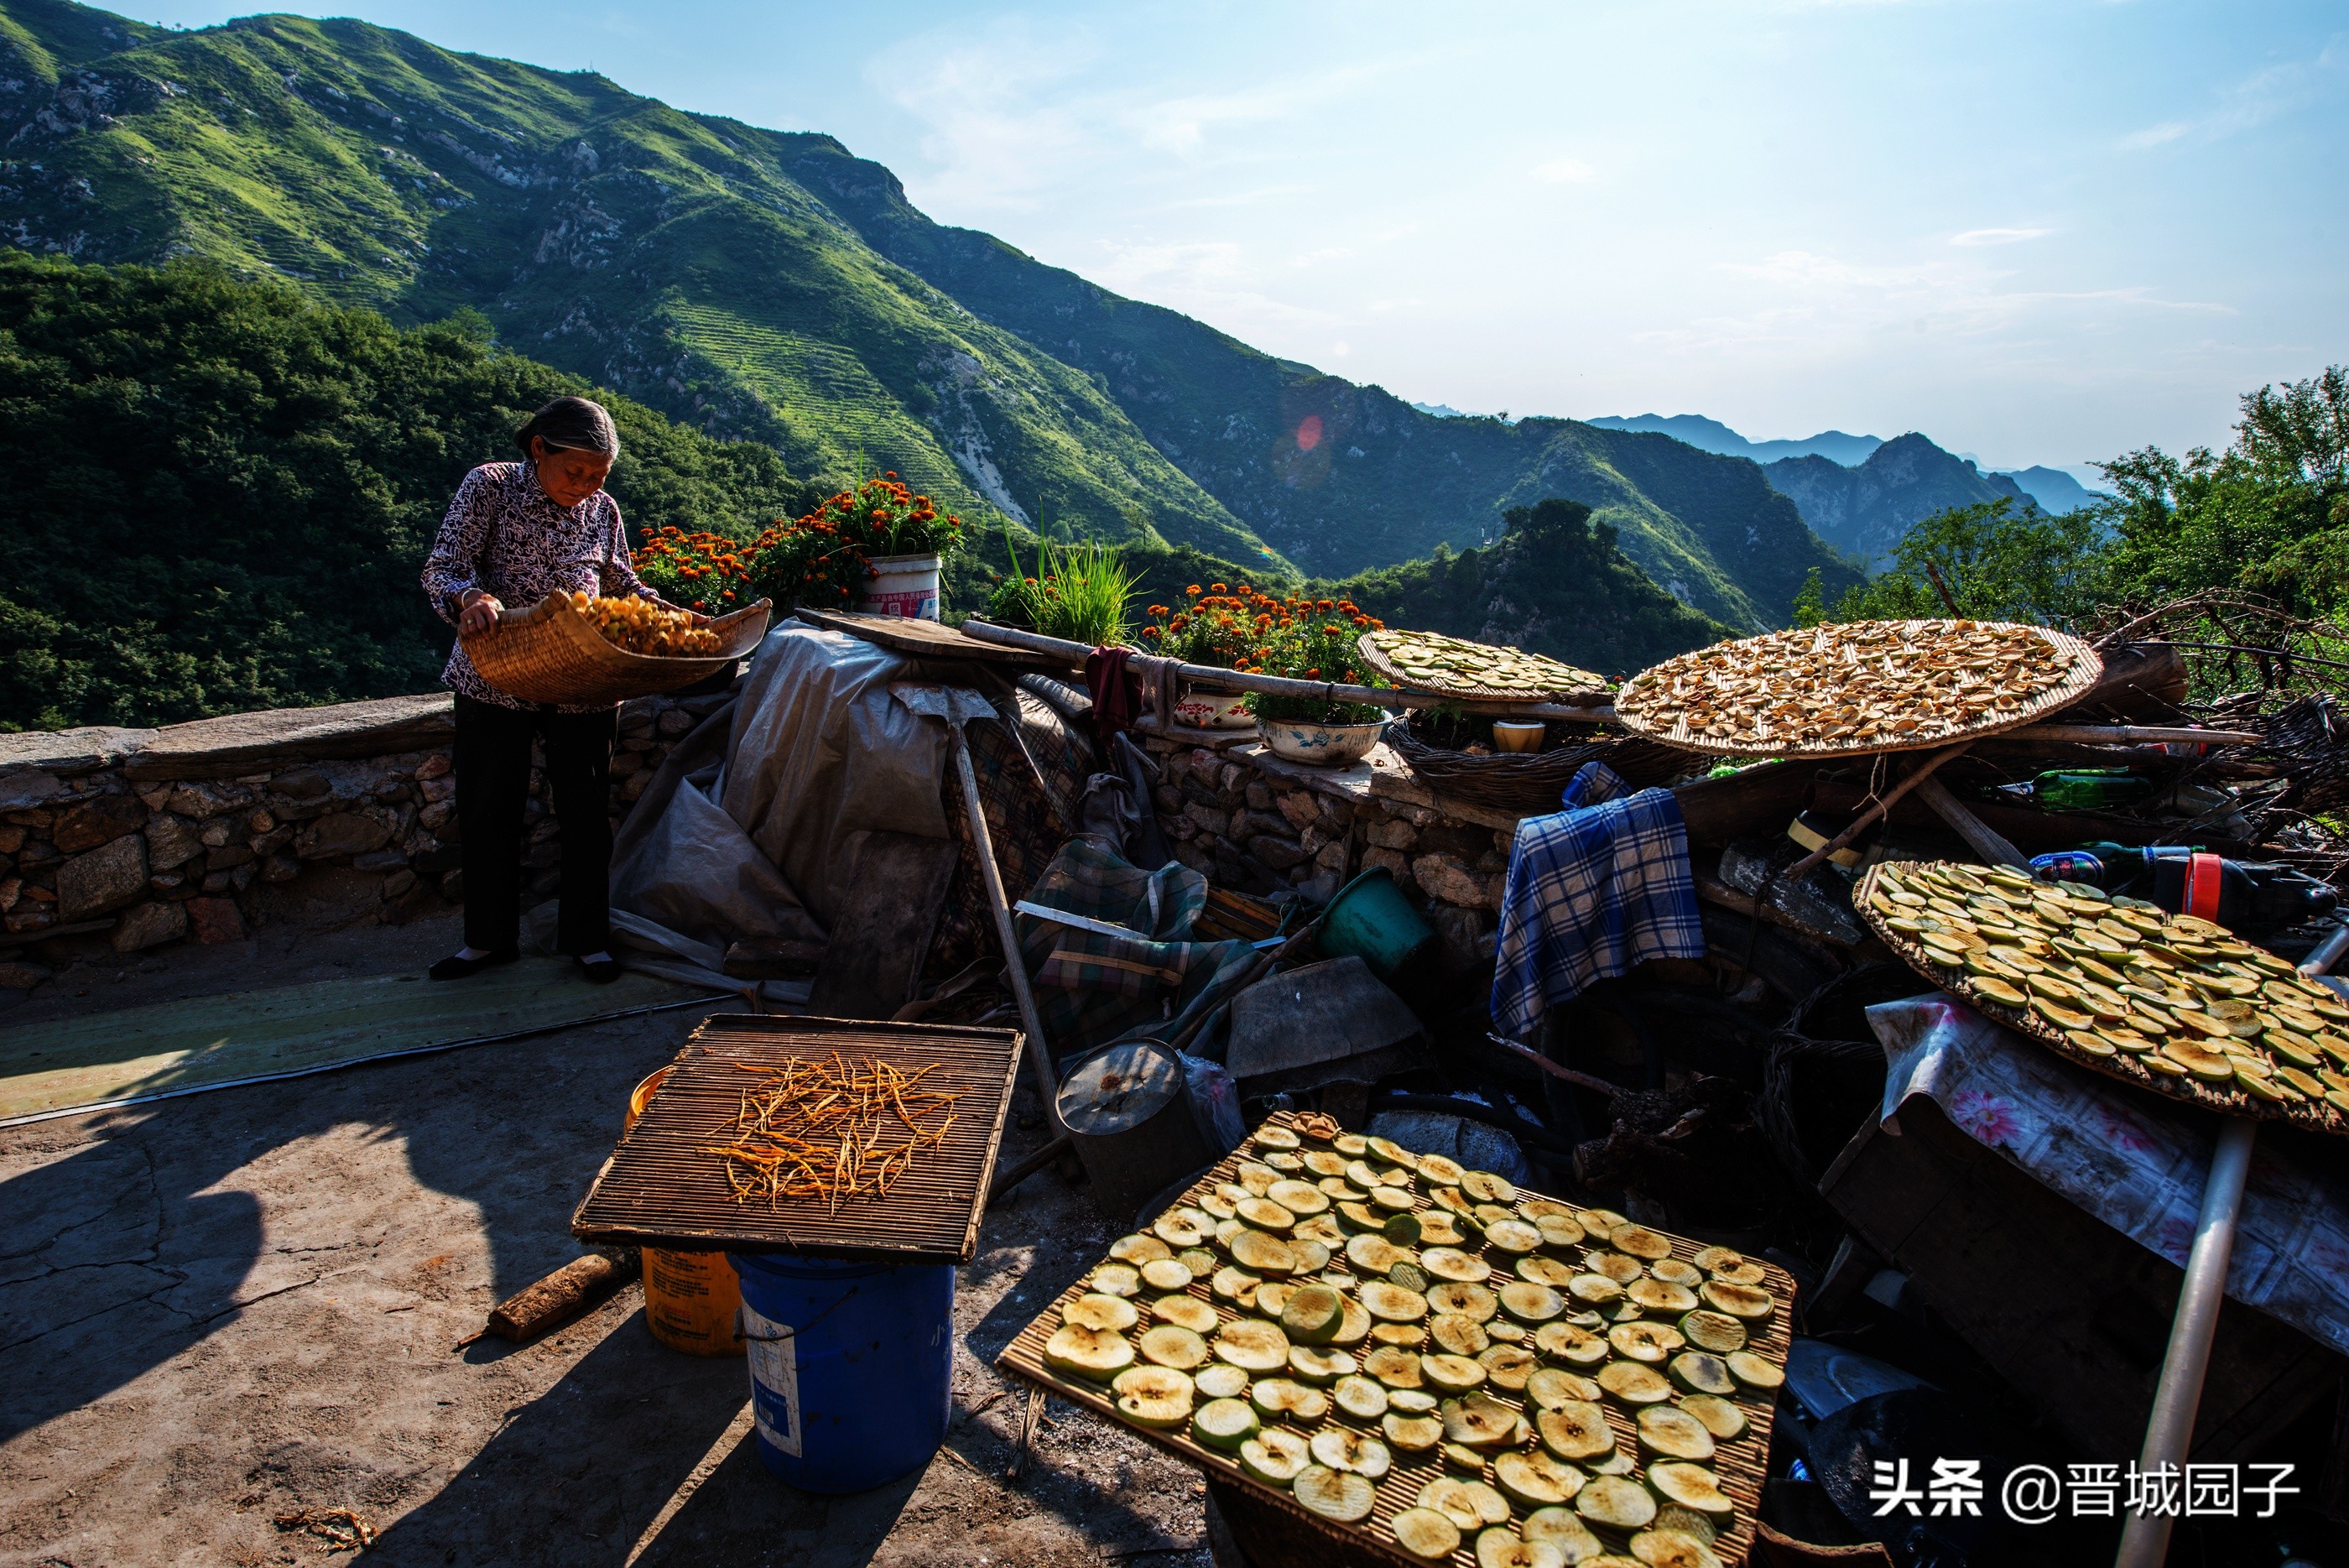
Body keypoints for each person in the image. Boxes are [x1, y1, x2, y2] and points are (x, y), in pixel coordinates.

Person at [419, 395, 694, 983]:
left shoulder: (601, 509)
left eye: (600, 475)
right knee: (489, 808)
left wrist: (674, 616)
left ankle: (588, 940)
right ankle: (488, 941)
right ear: (539, 449)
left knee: (587, 813)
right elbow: (444, 567)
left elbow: (622, 579)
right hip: (497, 674)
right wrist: (470, 599)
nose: (588, 485)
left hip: (583, 681)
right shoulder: (490, 488)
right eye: (577, 472)